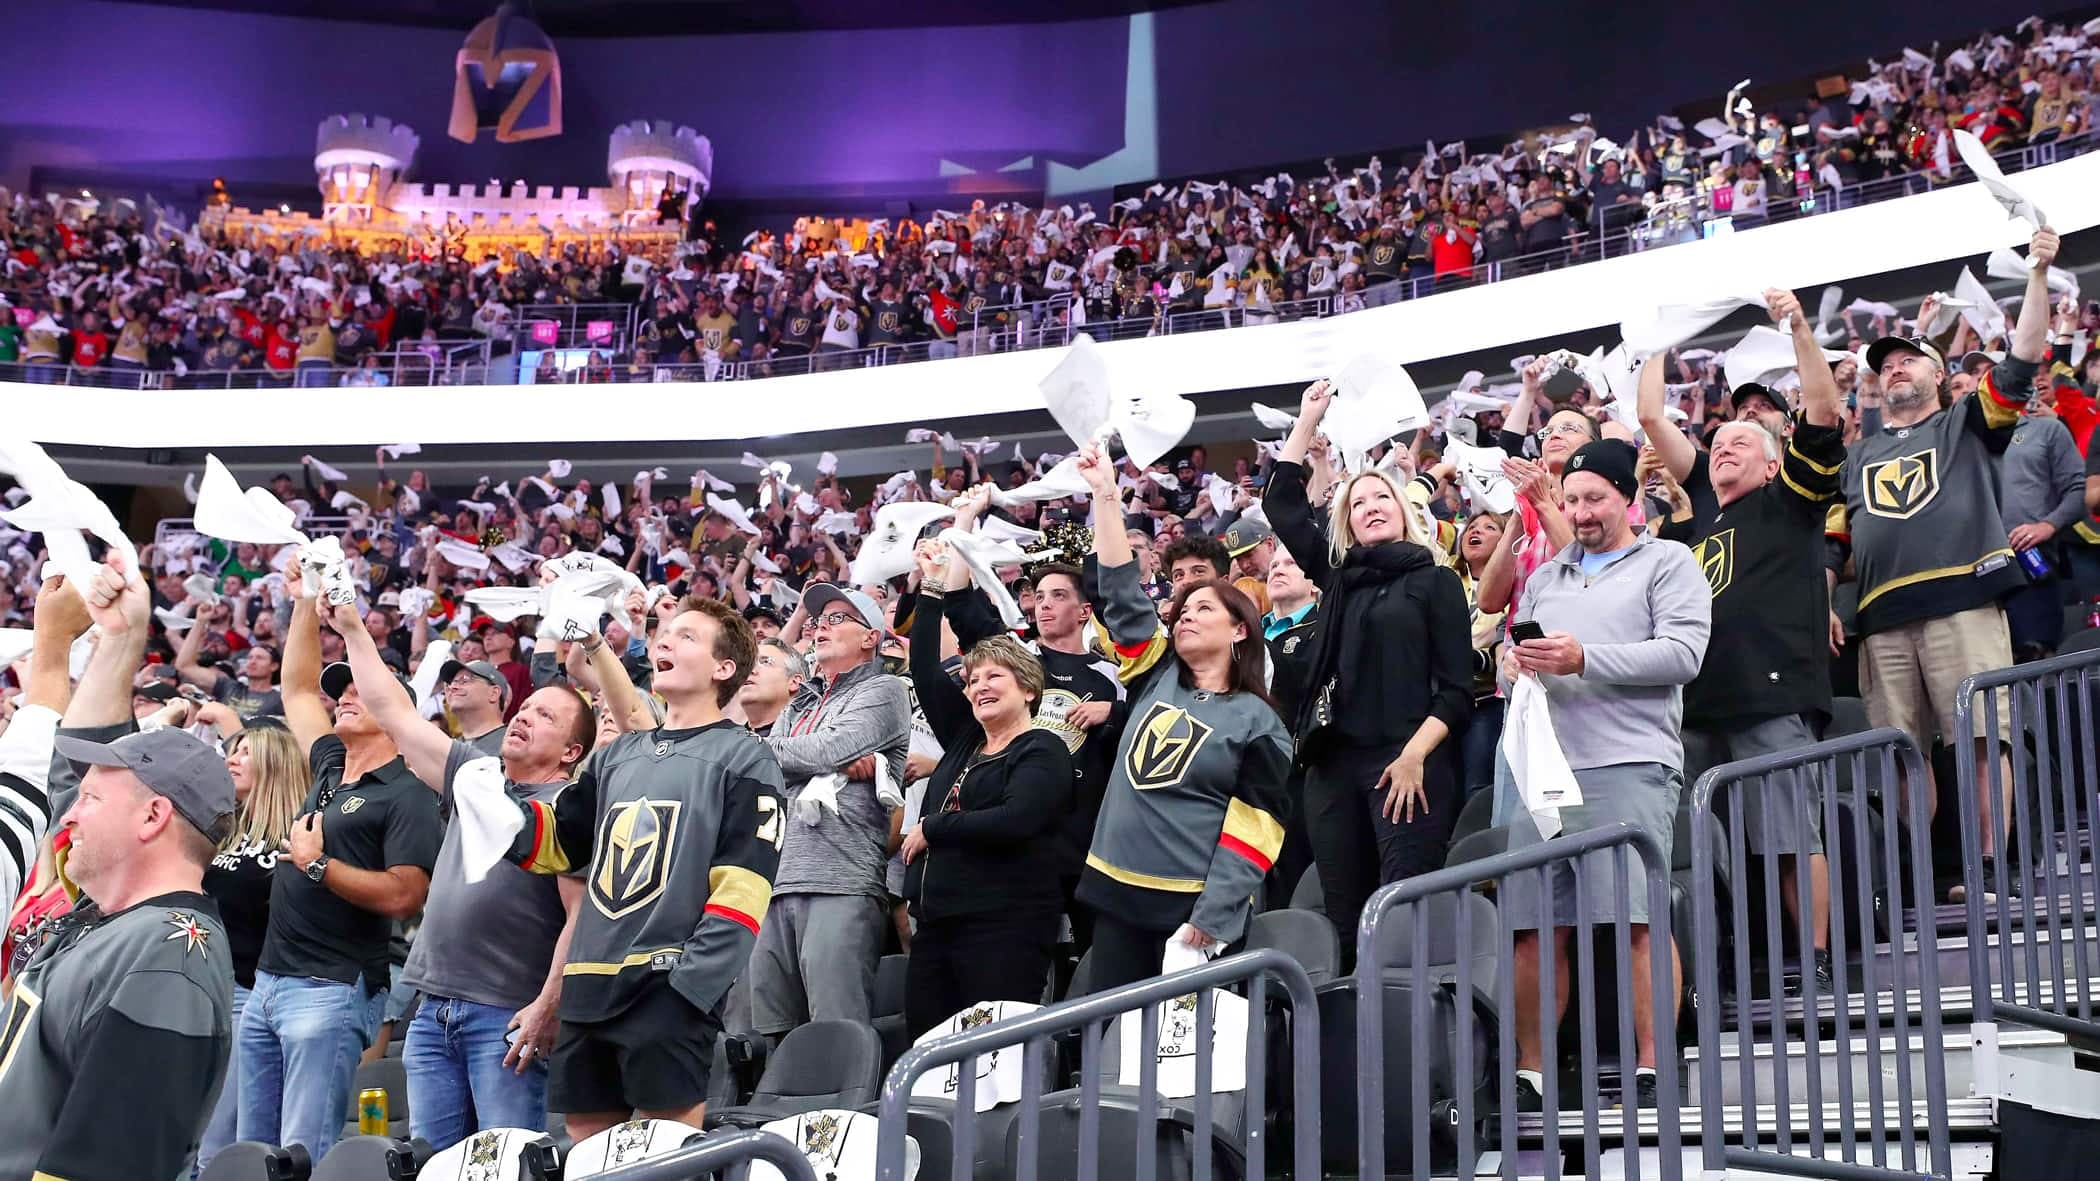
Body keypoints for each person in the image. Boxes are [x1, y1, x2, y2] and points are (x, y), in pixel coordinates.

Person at [463, 596, 780, 1139]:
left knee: (665, 1164)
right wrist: (497, 806)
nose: (664, 642)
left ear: (724, 669)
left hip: (666, 990)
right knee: (588, 1166)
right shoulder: (616, 756)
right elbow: (563, 845)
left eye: (686, 637)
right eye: (664, 634)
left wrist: (688, 991)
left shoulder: (746, 758)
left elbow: (743, 892)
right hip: (588, 989)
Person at [1831, 225, 2059, 892]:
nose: (1896, 366)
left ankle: (1988, 864)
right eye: (1887, 362)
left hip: (1964, 598)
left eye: (1910, 358)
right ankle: (1923, 871)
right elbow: (1835, 542)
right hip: (1880, 615)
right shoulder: (1860, 454)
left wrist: (2038, 277)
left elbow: (2022, 356)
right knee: (1900, 753)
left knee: (1983, 737)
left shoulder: (1967, 423)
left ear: (1939, 373)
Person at [323, 597, 597, 1151]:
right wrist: (352, 628)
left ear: (571, 751)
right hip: (432, 1007)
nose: (524, 716)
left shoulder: (570, 808)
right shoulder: (475, 777)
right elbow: (395, 713)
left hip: (506, 1015)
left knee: (506, 1163)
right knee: (433, 1164)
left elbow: (581, 915)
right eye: (526, 709)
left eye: (545, 715)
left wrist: (548, 1004)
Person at [0, 558, 237, 1181]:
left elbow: (108, 1160)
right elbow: (65, 772)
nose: (69, 814)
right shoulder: (108, 922)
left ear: (153, 817)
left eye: (91, 800)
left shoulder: (169, 952)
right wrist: (118, 638)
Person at [1500, 439, 1711, 1111]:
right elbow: (1520, 648)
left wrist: (1584, 657)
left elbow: (1682, 654)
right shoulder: (1546, 576)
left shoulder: (1668, 561)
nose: (1582, 513)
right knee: (1533, 928)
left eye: (1594, 498)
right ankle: (1531, 1073)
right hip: (1542, 770)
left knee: (1635, 919)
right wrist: (1515, 663)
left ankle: (1655, 1065)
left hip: (1628, 762)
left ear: (1628, 496)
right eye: (1571, 501)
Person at [1649, 289, 1844, 994]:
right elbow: (1648, 415)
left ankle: (1817, 956)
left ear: (1772, 463)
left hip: (1771, 690)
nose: (1724, 446)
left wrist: (1795, 325)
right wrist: (1651, 339)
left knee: (1789, 834)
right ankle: (1720, 962)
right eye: (1718, 441)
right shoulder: (1693, 528)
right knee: (1703, 847)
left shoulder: (1791, 502)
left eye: (1741, 442)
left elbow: (1821, 414)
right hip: (1698, 705)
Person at [237, 562, 441, 1160]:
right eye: (345, 690)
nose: (345, 697)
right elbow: (299, 689)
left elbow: (408, 894)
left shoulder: (407, 791)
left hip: (329, 987)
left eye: (360, 692)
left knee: (305, 1151)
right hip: (269, 982)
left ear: (398, 709)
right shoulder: (329, 761)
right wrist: (303, 603)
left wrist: (317, 863)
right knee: (254, 1151)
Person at [1074, 442, 1293, 991]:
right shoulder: (1156, 675)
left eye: (1204, 609)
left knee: (1183, 1069)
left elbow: (1256, 831)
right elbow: (1122, 593)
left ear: (1239, 629)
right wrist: (1104, 493)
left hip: (1189, 913)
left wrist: (1214, 915)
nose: (1186, 616)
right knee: (1116, 1051)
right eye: (1183, 610)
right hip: (1113, 893)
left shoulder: (1259, 721)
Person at [1267, 379, 1474, 939]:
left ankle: (1414, 1024)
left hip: (1407, 762)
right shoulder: (1336, 579)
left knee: (1403, 917)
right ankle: (1350, 1025)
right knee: (1345, 917)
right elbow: (1280, 503)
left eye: (1381, 497)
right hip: (1331, 766)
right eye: (1358, 502)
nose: (1370, 506)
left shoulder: (1435, 582)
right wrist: (1308, 417)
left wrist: (1413, 759)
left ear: (1405, 511)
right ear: (1347, 523)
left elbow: (1457, 689)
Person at [900, 540, 1072, 1038]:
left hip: (1005, 926)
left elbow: (1017, 818)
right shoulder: (963, 738)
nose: (979, 687)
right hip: (936, 926)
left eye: (995, 676)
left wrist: (935, 825)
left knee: (992, 1063)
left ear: (1028, 689)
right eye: (973, 680)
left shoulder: (1041, 748)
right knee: (925, 1054)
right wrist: (930, 587)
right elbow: (924, 671)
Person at [749, 583, 911, 1041]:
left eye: (839, 619)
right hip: (775, 881)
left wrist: (787, 753)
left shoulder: (885, 689)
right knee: (772, 1032)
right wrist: (806, 757)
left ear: (871, 638)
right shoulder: (800, 701)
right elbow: (764, 772)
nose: (821, 627)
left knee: (835, 1032)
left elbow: (829, 746)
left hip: (839, 880)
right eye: (820, 620)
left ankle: (839, 1114)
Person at [196, 717, 311, 1172]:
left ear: (274, 761)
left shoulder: (299, 832)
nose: (232, 758)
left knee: (221, 1142)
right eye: (231, 750)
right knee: (199, 1130)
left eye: (245, 751)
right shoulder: (224, 828)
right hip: (208, 989)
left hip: (253, 995)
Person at [730, 637, 807, 733]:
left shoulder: (812, 740)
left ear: (794, 682)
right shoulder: (723, 742)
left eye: (765, 662)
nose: (749, 670)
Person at [439, 657, 512, 755]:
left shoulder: (514, 743)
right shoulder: (447, 750)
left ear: (493, 693)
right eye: (451, 683)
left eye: (464, 680)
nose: (453, 687)